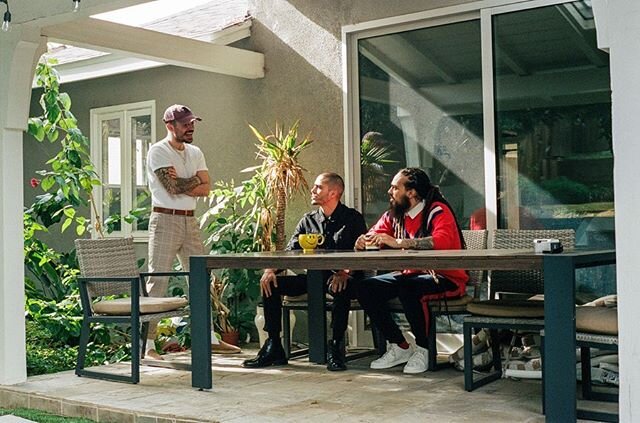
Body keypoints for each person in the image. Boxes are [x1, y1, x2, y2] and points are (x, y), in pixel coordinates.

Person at [242, 173, 367, 371]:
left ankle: (335, 348)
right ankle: (274, 345)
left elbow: (362, 252)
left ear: (333, 192)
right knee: (271, 283)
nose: (312, 190)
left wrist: (346, 272)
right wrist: (270, 269)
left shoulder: (352, 218)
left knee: (341, 287)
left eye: (318, 187)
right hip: (314, 278)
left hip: (344, 278)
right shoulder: (308, 220)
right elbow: (290, 251)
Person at [145, 104, 239, 359]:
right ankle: (148, 346)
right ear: (170, 126)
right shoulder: (158, 151)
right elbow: (171, 187)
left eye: (192, 122)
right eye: (185, 123)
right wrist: (195, 180)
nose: (190, 127)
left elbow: (206, 188)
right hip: (165, 219)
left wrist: (188, 182)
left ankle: (208, 338)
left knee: (199, 279)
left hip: (190, 221)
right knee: (158, 281)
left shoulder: (195, 151)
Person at [354, 167, 468, 374]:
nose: (390, 191)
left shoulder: (437, 210)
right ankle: (400, 345)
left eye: (395, 187)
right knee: (365, 287)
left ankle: (424, 348)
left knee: (408, 287)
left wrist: (399, 242)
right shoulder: (395, 214)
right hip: (411, 275)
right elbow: (376, 233)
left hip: (446, 278)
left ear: (412, 192)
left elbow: (441, 241)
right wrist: (364, 240)